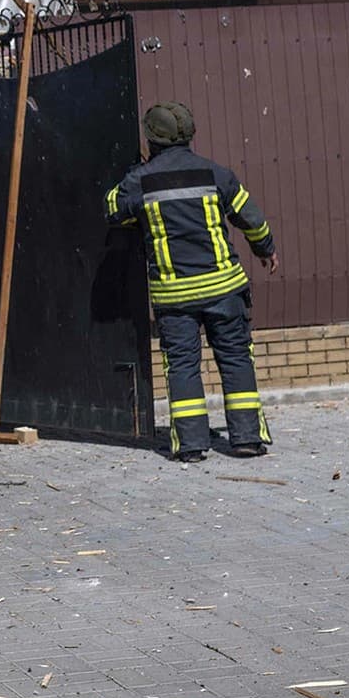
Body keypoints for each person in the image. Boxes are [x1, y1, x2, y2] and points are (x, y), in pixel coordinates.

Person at [106, 101, 279, 463]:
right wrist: (266, 249)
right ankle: (246, 439)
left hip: (175, 296)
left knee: (182, 365)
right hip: (224, 289)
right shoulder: (215, 173)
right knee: (234, 358)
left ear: (151, 138)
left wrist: (132, 176)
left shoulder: (139, 182)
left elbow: (112, 210)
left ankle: (191, 445)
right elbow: (251, 218)